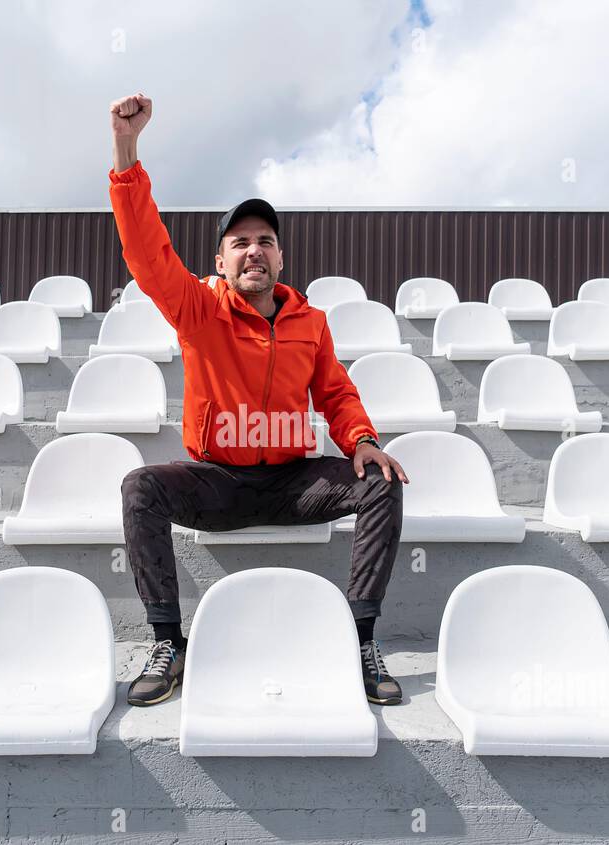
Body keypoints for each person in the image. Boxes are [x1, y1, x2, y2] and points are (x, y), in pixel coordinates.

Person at [108, 92, 408, 708]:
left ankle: (359, 638)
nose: (253, 250)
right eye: (239, 242)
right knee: (141, 486)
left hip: (293, 482)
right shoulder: (197, 308)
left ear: (280, 256)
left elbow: (335, 393)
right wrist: (127, 151)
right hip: (217, 481)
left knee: (382, 479)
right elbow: (145, 253)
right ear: (220, 261)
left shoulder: (311, 321)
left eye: (265, 240)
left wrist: (364, 442)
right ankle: (170, 642)